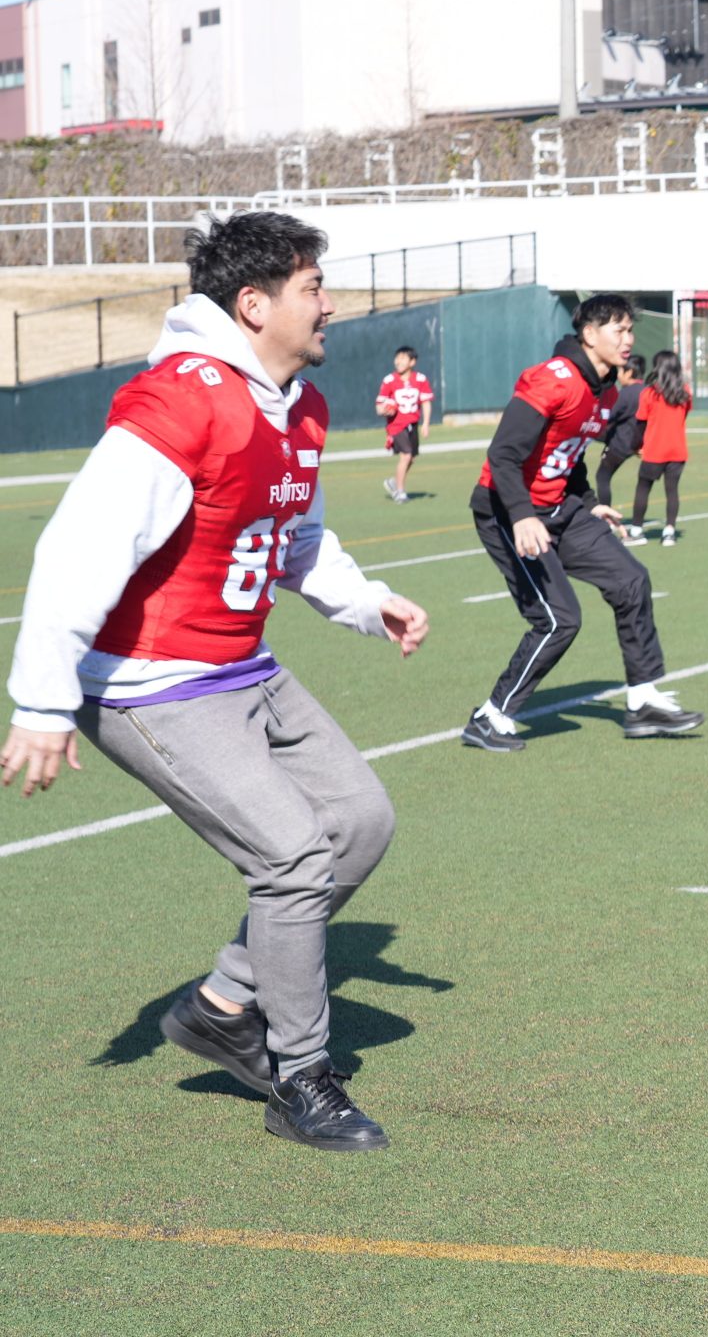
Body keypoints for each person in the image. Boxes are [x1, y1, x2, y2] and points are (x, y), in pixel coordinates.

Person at [1, 211, 429, 1152]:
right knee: (289, 854)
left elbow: (297, 538)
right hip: (149, 680)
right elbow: (78, 549)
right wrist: (39, 701)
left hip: (243, 664)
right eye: (313, 288)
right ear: (252, 302)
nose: (331, 306)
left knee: (358, 822)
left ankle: (225, 1004)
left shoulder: (300, 407)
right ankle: (300, 1076)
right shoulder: (183, 399)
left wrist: (368, 602)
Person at [462, 295, 703, 752]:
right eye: (619, 330)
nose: (629, 340)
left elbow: (570, 458)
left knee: (631, 581)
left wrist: (591, 503)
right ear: (589, 335)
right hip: (507, 510)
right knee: (558, 619)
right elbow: (503, 455)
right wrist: (523, 515)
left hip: (561, 509)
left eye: (631, 331)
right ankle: (491, 716)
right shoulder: (553, 380)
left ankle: (643, 701)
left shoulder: (606, 389)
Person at [629, 350, 693, 547]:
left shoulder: (649, 394)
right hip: (678, 451)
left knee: (643, 488)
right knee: (672, 491)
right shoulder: (685, 392)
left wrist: (635, 446)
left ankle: (637, 530)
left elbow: (640, 424)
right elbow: (683, 417)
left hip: (655, 451)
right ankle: (669, 532)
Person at [375, 345, 434, 503]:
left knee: (412, 457)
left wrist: (426, 423)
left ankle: (394, 482)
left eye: (403, 358)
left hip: (412, 423)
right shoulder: (389, 380)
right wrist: (384, 410)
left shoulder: (420, 379)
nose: (398, 361)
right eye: (397, 358)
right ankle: (400, 491)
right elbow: (379, 405)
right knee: (406, 455)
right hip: (396, 426)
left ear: (412, 361)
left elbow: (426, 402)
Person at [593, 358, 646, 527]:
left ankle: (606, 516)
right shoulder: (647, 391)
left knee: (602, 477)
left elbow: (609, 416)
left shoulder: (625, 393)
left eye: (620, 371)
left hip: (621, 444)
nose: (618, 376)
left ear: (629, 372)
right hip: (635, 443)